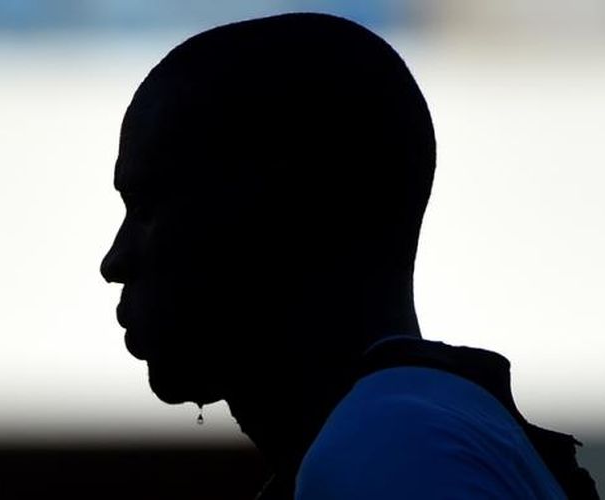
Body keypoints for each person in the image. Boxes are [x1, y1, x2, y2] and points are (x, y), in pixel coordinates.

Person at [100, 12, 599, 500]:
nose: (113, 262)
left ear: (285, 207)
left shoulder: (395, 447)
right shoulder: (421, 430)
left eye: (146, 207)